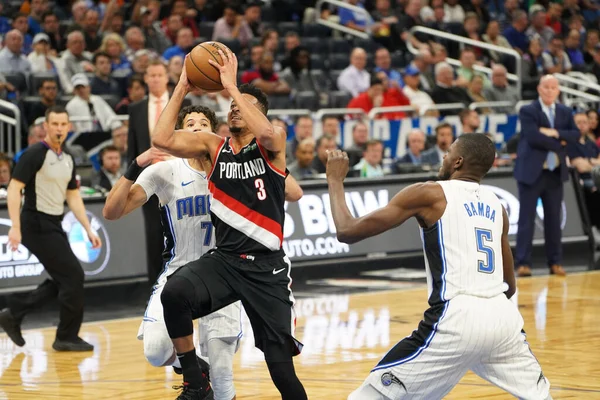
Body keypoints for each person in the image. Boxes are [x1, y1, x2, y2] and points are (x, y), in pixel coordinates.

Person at [325, 134, 551, 399]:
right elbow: (509, 285)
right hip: (504, 319)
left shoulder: (430, 193)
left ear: (458, 161)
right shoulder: (497, 205)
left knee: (370, 396)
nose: (443, 156)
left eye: (448, 151)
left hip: (456, 317)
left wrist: (335, 180)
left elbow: (347, 230)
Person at [151, 49, 307, 400]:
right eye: (232, 105)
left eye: (245, 106)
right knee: (174, 293)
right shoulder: (213, 147)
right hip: (225, 261)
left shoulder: (273, 144)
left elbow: (267, 135)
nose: (235, 108)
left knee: (280, 368)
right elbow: (161, 139)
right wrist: (182, 85)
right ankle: (194, 380)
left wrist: (232, 87)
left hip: (266, 268)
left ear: (259, 115)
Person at [103, 106, 238, 400]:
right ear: (178, 134)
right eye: (190, 123)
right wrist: (136, 164)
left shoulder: (231, 169)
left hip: (222, 275)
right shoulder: (164, 171)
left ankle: (205, 377)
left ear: (214, 134)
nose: (197, 128)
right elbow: (111, 211)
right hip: (178, 272)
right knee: (155, 352)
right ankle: (194, 371)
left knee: (223, 375)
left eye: (204, 123)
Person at [0, 106, 101, 351]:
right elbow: (14, 189)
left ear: (69, 127)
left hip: (53, 223)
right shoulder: (34, 153)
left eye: (63, 124)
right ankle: (66, 336)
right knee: (73, 275)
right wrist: (15, 226)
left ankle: (13, 312)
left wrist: (88, 228)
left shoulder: (67, 158)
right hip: (35, 223)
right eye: (54, 124)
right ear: (45, 126)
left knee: (64, 279)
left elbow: (73, 195)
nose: (58, 129)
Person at [128, 59, 191, 283]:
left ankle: (185, 280)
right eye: (151, 75)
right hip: (149, 178)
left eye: (159, 75)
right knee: (154, 234)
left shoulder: (183, 104)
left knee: (184, 229)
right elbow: (132, 147)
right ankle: (155, 284)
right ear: (145, 79)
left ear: (167, 78)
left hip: (179, 174)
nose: (155, 79)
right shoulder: (136, 109)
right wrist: (132, 179)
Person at [514, 75, 580, 277]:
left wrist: (551, 133)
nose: (550, 90)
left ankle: (556, 262)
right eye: (546, 87)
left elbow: (576, 135)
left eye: (553, 87)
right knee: (526, 220)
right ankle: (523, 263)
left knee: (554, 221)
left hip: (554, 173)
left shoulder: (566, 111)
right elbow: (533, 137)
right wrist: (559, 140)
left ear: (558, 90)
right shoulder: (528, 110)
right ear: (539, 89)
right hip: (530, 172)